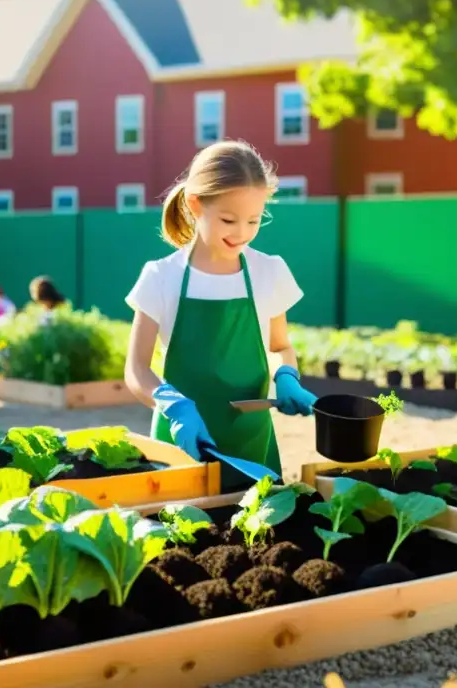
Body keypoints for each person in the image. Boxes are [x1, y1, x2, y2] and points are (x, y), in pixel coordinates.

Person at [124, 140, 317, 490]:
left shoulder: (269, 271)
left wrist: (287, 375)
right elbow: (136, 369)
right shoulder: (160, 276)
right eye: (228, 219)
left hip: (251, 442)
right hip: (181, 441)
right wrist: (173, 405)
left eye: (254, 220)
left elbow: (278, 346)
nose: (241, 232)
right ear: (196, 205)